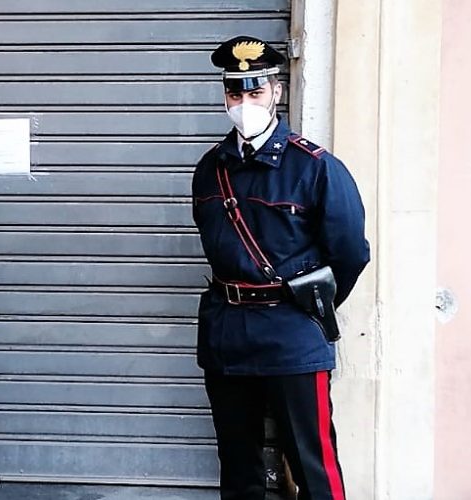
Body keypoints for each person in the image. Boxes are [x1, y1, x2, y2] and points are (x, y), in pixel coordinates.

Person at [191, 36, 370, 500]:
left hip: (291, 333)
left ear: (276, 91)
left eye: (255, 92)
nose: (244, 103)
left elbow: (350, 253)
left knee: (313, 465)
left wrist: (306, 307)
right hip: (228, 332)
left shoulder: (316, 168)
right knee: (239, 467)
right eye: (235, 93)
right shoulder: (211, 169)